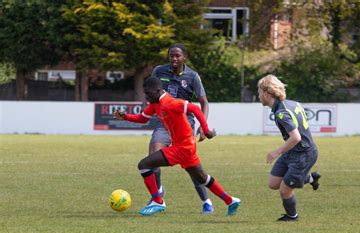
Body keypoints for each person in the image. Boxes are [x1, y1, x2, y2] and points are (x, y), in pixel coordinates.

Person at [114, 76, 241, 216]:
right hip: (186, 147)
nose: (147, 97)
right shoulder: (155, 104)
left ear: (158, 90)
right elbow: (143, 119)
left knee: (144, 165)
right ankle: (230, 201)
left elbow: (195, 109)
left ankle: (157, 201)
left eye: (148, 94)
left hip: (183, 147)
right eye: (145, 94)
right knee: (202, 178)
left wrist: (205, 130)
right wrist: (125, 117)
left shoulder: (170, 103)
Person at [148, 43, 214, 214]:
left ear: (184, 57)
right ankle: (158, 195)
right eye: (171, 56)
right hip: (164, 123)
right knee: (153, 156)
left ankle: (206, 201)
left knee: (191, 166)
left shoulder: (192, 76)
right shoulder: (159, 71)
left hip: (184, 125)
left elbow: (203, 103)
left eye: (177, 56)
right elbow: (150, 92)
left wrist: (202, 126)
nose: (174, 59)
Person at [257, 74, 321, 222]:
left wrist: (276, 152)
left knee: (285, 189)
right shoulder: (291, 103)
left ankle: (292, 216)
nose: (258, 96)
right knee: (273, 183)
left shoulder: (281, 113)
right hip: (292, 151)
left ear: (267, 94)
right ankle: (310, 177)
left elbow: (296, 137)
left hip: (303, 154)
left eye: (260, 92)